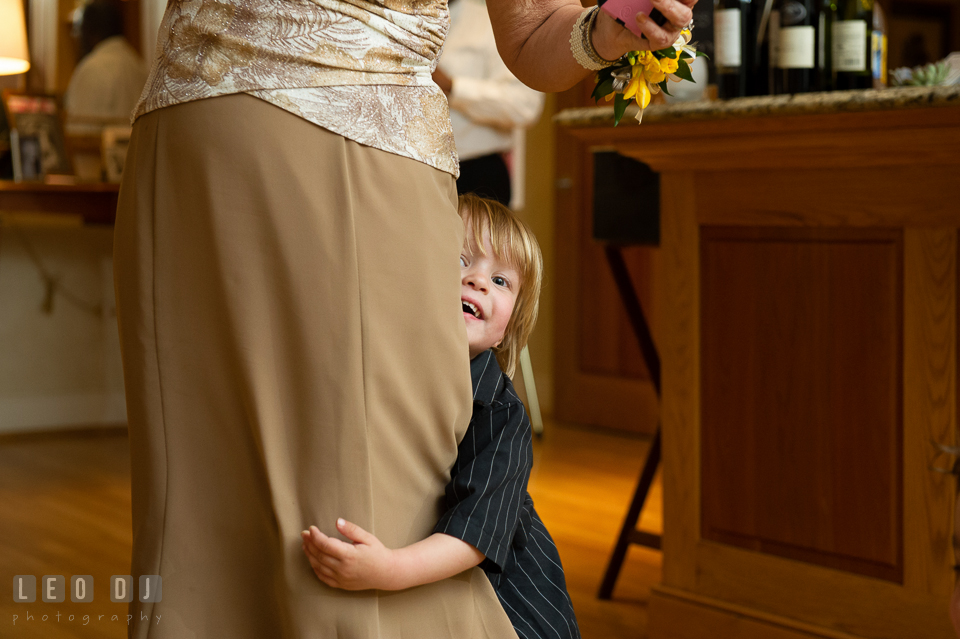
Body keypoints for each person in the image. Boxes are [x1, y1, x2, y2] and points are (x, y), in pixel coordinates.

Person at [113, 0, 697, 635]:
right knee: (196, 501)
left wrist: (612, 27)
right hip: (181, 143)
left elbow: (532, 37)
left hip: (353, 140)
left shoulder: (502, 417)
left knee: (355, 507)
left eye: (499, 280)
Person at [301, 194, 578, 639]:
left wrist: (387, 569)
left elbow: (474, 535)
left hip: (513, 607)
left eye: (501, 280)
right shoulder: (388, 363)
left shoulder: (503, 416)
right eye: (460, 259)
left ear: (510, 326)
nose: (477, 281)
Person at [435, 0, 544, 206]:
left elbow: (523, 106)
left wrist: (453, 87)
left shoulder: (491, 24)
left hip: (477, 176)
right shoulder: (395, 24)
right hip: (412, 171)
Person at [63, 0, 147, 136]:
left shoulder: (91, 69)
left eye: (79, 31)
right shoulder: (139, 67)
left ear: (91, 32)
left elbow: (77, 135)